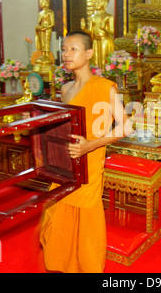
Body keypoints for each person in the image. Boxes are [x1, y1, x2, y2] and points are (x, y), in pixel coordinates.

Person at [39, 31, 132, 273]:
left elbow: (127, 126)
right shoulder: (65, 88)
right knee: (59, 209)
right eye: (64, 49)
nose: (66, 55)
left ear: (89, 53)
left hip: (89, 160)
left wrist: (90, 145)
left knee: (86, 218)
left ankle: (87, 267)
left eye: (73, 49)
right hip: (65, 161)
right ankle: (63, 263)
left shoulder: (104, 87)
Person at [81, 0, 115, 69]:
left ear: (105, 3)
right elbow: (91, 32)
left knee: (104, 61)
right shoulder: (92, 17)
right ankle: (96, 76)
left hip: (104, 40)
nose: (97, 3)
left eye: (100, 1)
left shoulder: (109, 16)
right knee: (95, 61)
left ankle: (105, 77)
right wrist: (84, 29)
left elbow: (112, 32)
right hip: (95, 41)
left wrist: (104, 28)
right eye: (96, 1)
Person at [34, 0, 55, 67]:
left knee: (46, 42)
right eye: (40, 2)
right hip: (41, 29)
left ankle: (47, 55)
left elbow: (52, 23)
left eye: (42, 2)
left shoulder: (50, 12)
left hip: (47, 29)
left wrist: (46, 27)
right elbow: (39, 23)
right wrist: (39, 28)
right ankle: (43, 55)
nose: (41, 4)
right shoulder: (40, 13)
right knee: (42, 42)